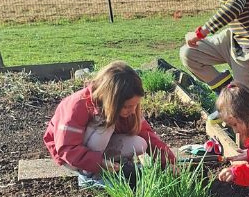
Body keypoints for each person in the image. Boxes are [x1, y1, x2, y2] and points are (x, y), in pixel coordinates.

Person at [43, 61, 176, 187]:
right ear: (111, 100)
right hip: (70, 155)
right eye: (127, 106)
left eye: (135, 105)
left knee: (140, 143)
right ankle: (88, 176)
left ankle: (109, 169)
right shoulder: (77, 105)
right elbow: (67, 149)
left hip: (97, 144)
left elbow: (147, 135)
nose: (132, 110)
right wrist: (100, 163)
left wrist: (169, 163)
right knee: (104, 126)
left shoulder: (128, 108)